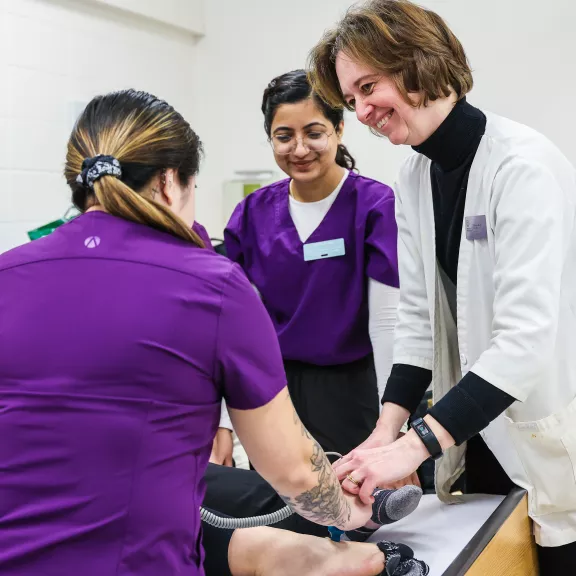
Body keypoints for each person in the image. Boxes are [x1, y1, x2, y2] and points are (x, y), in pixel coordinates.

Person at [0, 89, 428, 576]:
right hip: (139, 557)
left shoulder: (7, 275)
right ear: (169, 181)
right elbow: (294, 471)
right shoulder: (209, 282)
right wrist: (353, 514)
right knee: (272, 519)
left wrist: (385, 428)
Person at [307, 0, 576, 573]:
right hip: (480, 438)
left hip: (546, 435)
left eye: (368, 87)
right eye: (350, 100)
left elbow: (524, 342)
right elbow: (418, 322)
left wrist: (413, 446)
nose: (361, 112)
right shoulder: (415, 174)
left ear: (417, 62)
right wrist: (385, 433)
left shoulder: (519, 167)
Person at [221, 69, 402, 460]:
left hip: (354, 393)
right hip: (273, 394)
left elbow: (386, 324)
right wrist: (224, 420)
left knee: (361, 511)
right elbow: (232, 327)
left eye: (314, 133)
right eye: (284, 137)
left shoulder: (374, 206)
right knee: (279, 509)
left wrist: (393, 426)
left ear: (339, 129)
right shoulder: (252, 214)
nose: (299, 149)